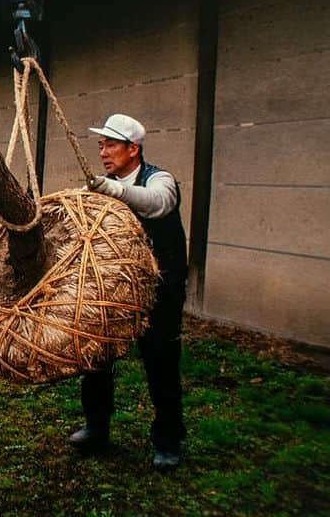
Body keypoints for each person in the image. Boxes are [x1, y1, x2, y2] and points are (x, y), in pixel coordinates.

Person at [70, 113, 188, 471]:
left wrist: (117, 191)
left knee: (161, 364)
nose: (103, 152)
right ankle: (97, 427)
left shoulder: (159, 179)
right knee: (97, 359)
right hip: (114, 291)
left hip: (160, 291)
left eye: (110, 144)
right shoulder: (103, 186)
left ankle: (168, 441)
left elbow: (158, 203)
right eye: (101, 145)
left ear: (133, 149)